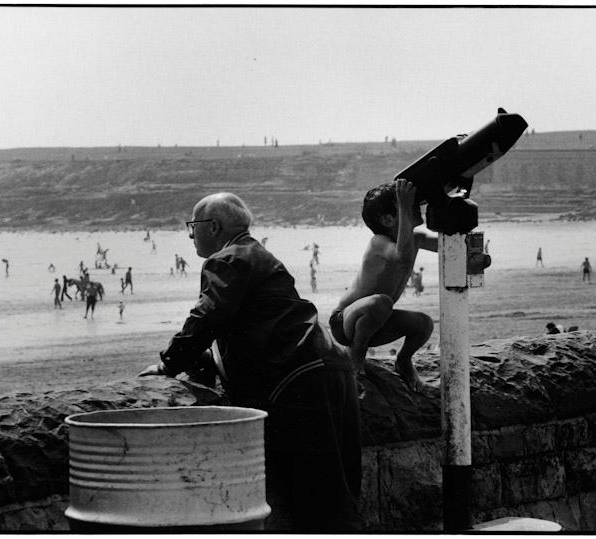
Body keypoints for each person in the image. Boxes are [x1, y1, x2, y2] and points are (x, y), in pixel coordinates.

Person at [138, 193, 361, 531]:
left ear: (214, 226)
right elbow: (253, 320)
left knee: (311, 497)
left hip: (296, 378)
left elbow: (208, 316)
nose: (190, 235)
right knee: (340, 490)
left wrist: (168, 365)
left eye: (193, 226)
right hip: (329, 366)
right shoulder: (260, 254)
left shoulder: (226, 260)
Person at [329, 179, 436, 393]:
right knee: (381, 301)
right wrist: (404, 205)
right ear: (388, 219)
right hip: (346, 322)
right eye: (410, 205)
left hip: (378, 323)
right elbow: (402, 257)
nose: (416, 207)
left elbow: (452, 246)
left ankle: (403, 360)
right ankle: (356, 353)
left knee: (424, 324)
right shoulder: (379, 242)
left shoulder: (417, 239)